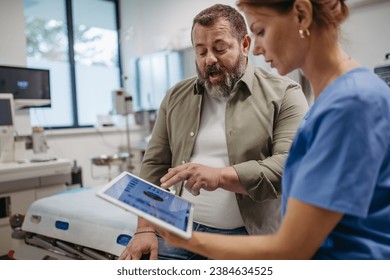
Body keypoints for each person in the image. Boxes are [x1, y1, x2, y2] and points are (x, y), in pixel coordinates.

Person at [156, 0, 390, 260]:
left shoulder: (351, 103)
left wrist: (182, 237)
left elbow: (292, 248)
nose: (256, 47)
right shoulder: (336, 98)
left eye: (260, 31)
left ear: (301, 15)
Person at [119, 4, 308, 260]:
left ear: (244, 44)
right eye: (201, 51)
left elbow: (288, 167)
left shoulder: (285, 94)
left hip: (246, 239)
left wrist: (219, 176)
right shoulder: (176, 95)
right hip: (175, 232)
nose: (209, 59)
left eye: (220, 49)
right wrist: (144, 228)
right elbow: (154, 164)